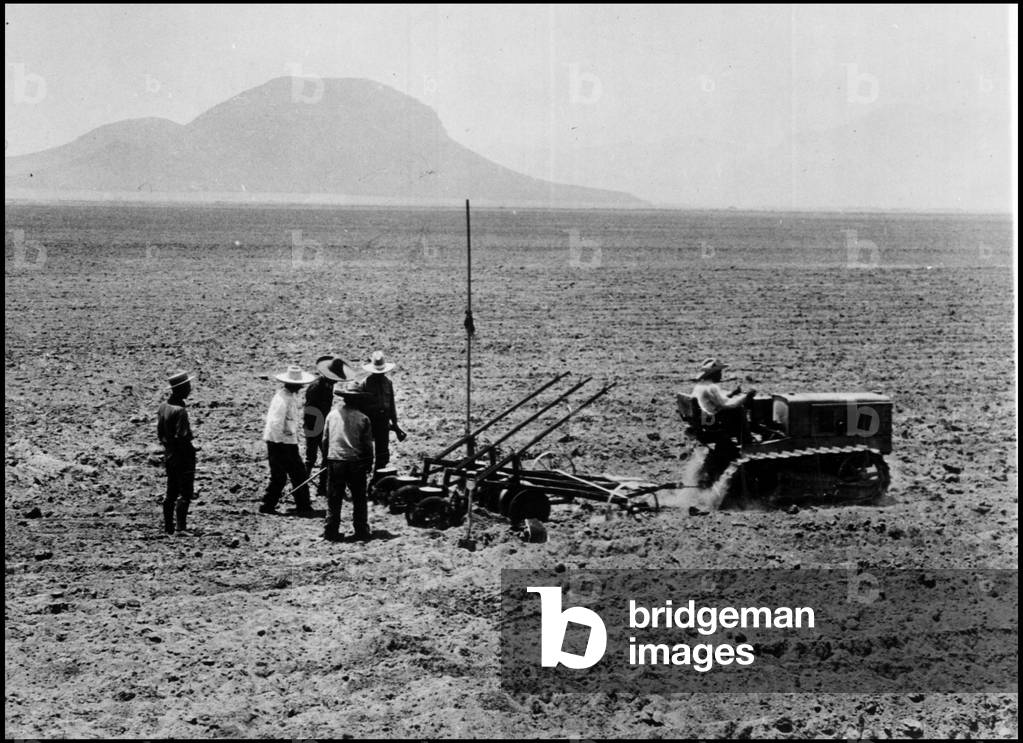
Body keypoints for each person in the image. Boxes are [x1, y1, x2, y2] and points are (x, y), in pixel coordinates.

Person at [321, 379, 375, 542]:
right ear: (359, 399)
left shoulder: (332, 415)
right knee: (359, 497)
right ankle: (361, 530)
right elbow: (367, 445)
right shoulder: (363, 418)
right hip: (355, 461)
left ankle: (331, 530)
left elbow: (325, 440)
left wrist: (327, 458)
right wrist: (369, 463)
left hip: (335, 460)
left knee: (334, 497)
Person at [261, 365, 317, 515]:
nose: (301, 386)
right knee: (284, 475)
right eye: (298, 384)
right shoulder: (282, 399)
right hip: (279, 443)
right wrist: (280, 445)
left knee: (296, 474)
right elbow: (275, 424)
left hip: (287, 442)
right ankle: (270, 505)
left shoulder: (290, 396)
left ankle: (301, 505)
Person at [304, 355, 355, 502]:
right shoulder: (316, 387)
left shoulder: (328, 385)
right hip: (313, 425)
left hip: (323, 424)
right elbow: (310, 411)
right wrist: (317, 429)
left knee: (327, 457)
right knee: (311, 457)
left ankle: (321, 487)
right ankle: (302, 486)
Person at [157, 371, 197, 534]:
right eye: (187, 386)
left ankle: (168, 527)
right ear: (181, 389)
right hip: (183, 456)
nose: (190, 389)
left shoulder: (163, 407)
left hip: (169, 454)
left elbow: (160, 433)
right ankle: (181, 527)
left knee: (171, 491)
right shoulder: (180, 411)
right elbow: (182, 436)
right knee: (185, 491)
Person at [360, 350, 407, 481]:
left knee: (383, 455)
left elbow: (391, 406)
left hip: (383, 424)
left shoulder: (388, 383)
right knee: (366, 454)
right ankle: (362, 481)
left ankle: (376, 482)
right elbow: (360, 406)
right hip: (368, 423)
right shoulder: (365, 383)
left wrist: (396, 427)